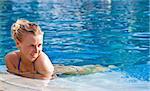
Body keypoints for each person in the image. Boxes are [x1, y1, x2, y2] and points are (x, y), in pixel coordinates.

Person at [5, 19, 110, 80]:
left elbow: (44, 79)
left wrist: (24, 74)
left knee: (83, 71)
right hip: (46, 70)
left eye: (40, 45)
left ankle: (104, 67)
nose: (37, 51)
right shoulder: (11, 59)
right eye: (32, 46)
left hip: (57, 71)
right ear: (18, 44)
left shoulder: (42, 60)